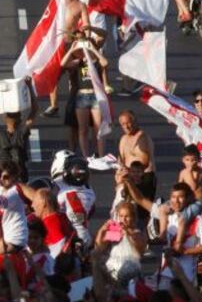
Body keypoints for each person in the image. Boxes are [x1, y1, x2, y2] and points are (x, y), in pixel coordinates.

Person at [61, 30, 109, 158]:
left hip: (95, 96)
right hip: (81, 96)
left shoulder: (96, 61)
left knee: (98, 128)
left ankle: (100, 154)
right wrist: (72, 49)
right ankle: (86, 156)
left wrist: (93, 49)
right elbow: (63, 64)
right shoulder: (79, 62)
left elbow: (105, 63)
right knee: (83, 129)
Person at [96, 200, 147, 279]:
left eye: (127, 216)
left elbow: (139, 250)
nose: (123, 219)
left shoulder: (139, 233)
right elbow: (99, 247)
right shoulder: (117, 232)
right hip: (113, 271)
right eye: (121, 216)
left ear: (133, 217)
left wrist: (127, 233)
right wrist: (102, 230)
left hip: (131, 271)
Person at [117, 110, 156, 196]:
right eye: (123, 124)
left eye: (128, 123)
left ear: (135, 122)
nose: (126, 126)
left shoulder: (142, 138)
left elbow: (144, 163)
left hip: (143, 179)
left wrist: (129, 172)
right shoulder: (123, 139)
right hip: (129, 179)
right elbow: (120, 162)